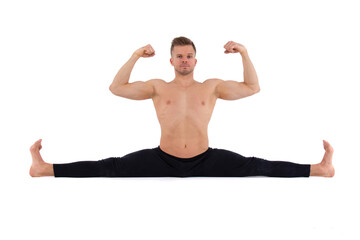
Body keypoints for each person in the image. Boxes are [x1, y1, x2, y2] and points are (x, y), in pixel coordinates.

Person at [29, 37, 335, 178]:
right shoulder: (157, 87)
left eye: (189, 55)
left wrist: (243, 51)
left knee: (257, 165)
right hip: (162, 160)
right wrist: (136, 54)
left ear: (196, 60)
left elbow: (252, 88)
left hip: (206, 160)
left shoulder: (211, 86)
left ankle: (319, 169)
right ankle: (44, 168)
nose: (185, 60)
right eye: (180, 56)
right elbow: (116, 88)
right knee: (109, 167)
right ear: (172, 60)